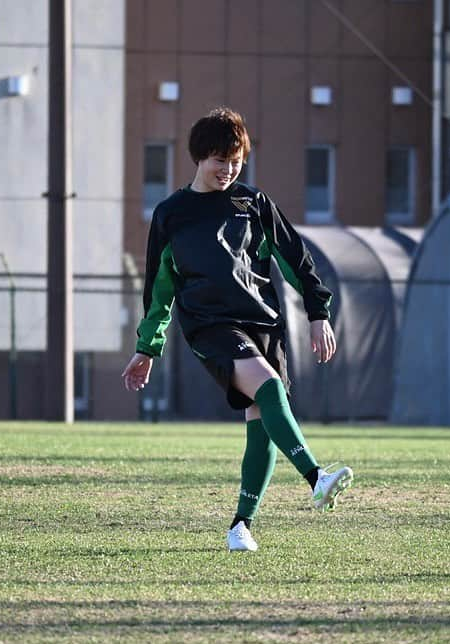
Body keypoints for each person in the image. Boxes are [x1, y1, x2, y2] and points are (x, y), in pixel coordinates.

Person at [122, 107, 353, 552]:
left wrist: (318, 311)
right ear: (197, 157)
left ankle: (240, 527)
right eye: (218, 159)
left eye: (235, 160)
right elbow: (160, 289)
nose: (227, 169)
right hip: (211, 326)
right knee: (269, 389)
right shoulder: (172, 214)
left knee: (262, 424)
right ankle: (316, 477)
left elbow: (295, 258)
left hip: (263, 322)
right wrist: (147, 347)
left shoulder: (254, 204)